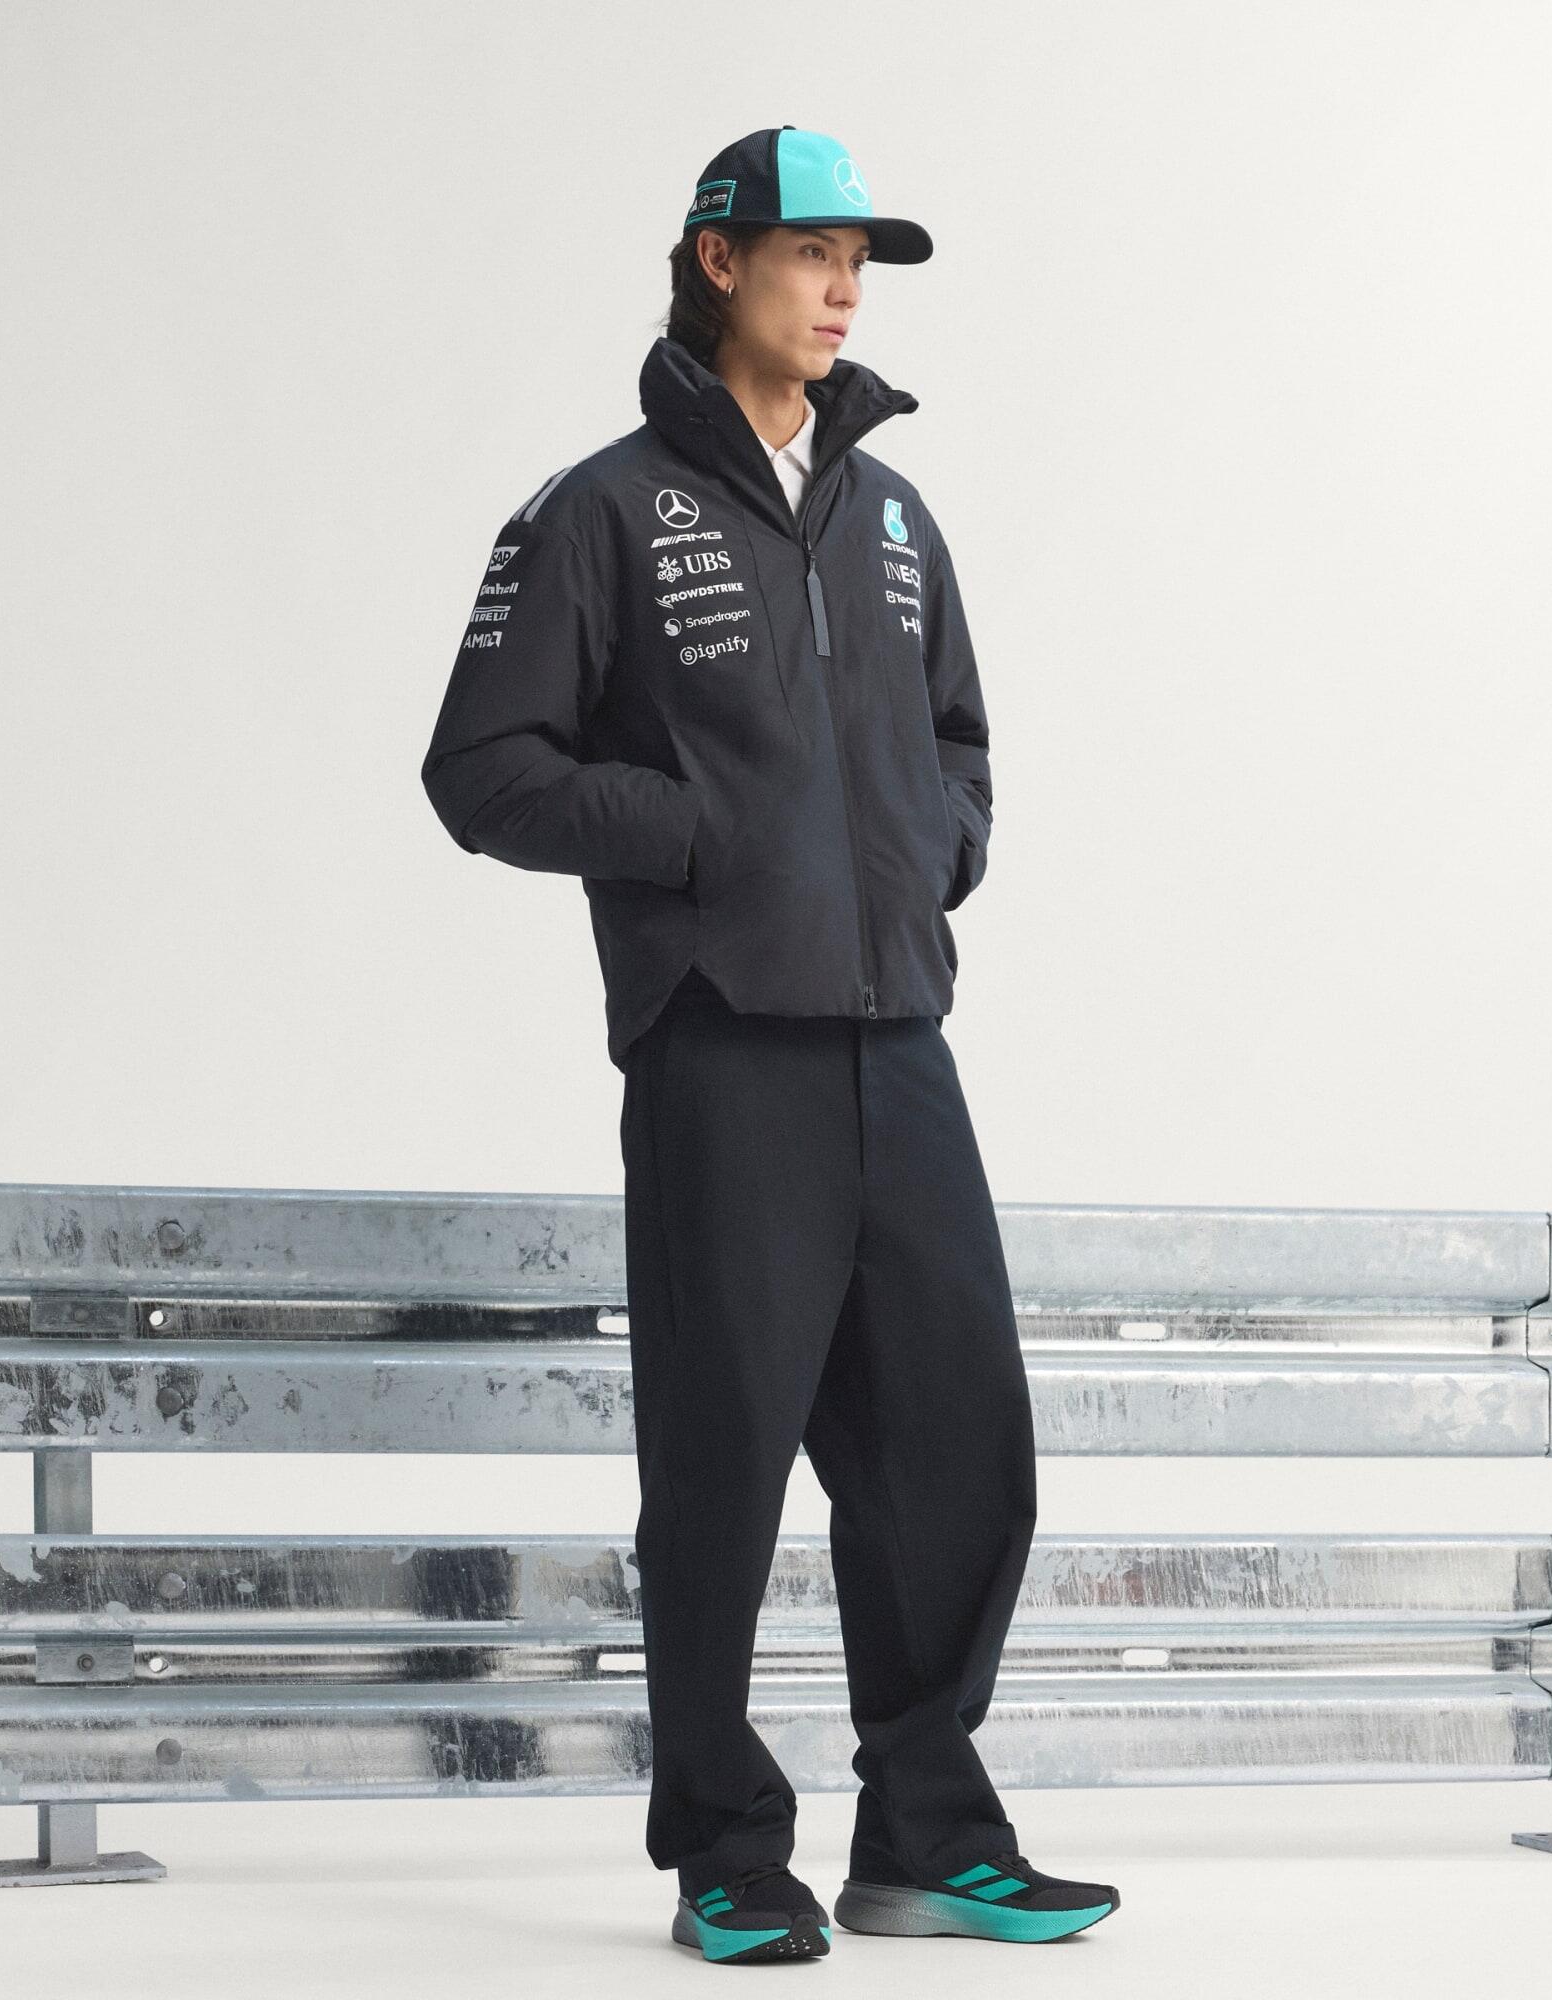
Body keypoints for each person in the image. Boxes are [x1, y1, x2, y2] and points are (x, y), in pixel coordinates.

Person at [421, 124, 1121, 1964]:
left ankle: (930, 1835)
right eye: (814, 252)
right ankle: (727, 1855)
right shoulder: (599, 512)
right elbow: (480, 768)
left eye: (860, 263)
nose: (843, 290)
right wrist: (704, 839)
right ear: (717, 261)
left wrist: (936, 850)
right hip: (722, 1043)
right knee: (722, 1468)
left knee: (960, 1446)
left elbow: (962, 745)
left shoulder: (894, 517)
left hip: (901, 1038)